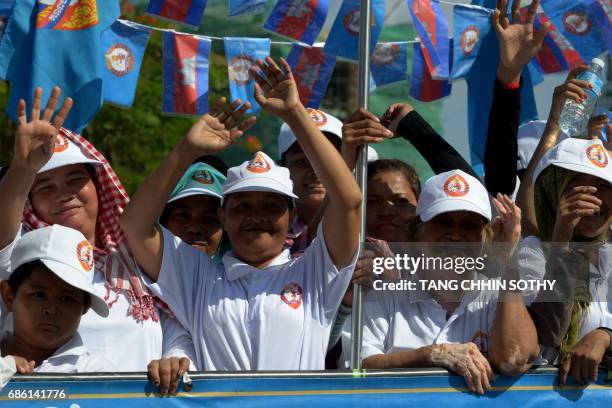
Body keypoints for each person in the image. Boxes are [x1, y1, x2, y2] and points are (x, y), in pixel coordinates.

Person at [119, 57, 362, 371]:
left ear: (291, 216)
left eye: (272, 206)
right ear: (222, 216)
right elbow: (135, 225)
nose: (256, 216)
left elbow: (349, 202)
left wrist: (294, 113)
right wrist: (188, 149)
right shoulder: (197, 276)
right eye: (242, 206)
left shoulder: (314, 272)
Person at [0, 87, 194, 378]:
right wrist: (23, 169)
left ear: (99, 185)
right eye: (45, 187)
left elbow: (174, 327)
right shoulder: (20, 262)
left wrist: (174, 357)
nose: (64, 195)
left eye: (76, 180)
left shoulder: (135, 262)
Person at [362, 169, 539, 394]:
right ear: (419, 233)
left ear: (484, 239)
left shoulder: (497, 296)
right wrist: (433, 355)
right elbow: (360, 367)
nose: (455, 235)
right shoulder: (385, 295)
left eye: (468, 225)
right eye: (443, 222)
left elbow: (514, 358)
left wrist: (508, 260)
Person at [517, 138, 612, 385]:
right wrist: (562, 242)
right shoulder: (531, 253)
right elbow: (551, 333)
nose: (593, 197)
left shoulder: (608, 255)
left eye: (604, 185)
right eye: (577, 186)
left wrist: (605, 336)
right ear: (552, 194)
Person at [0, 225, 114, 375]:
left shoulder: (97, 375)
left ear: (85, 306)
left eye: (67, 299)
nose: (51, 310)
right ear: (9, 296)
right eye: (38, 295)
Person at [277, 108, 378, 257]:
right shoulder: (270, 233)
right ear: (283, 168)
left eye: (329, 160)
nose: (317, 170)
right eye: (303, 161)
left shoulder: (374, 229)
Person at [160, 162, 227, 258]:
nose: (195, 229)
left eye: (209, 219)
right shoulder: (135, 271)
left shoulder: (244, 272)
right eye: (182, 215)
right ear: (162, 222)